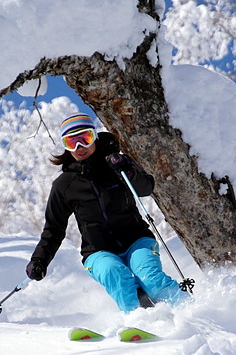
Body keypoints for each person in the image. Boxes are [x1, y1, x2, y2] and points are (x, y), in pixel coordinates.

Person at [26, 113, 185, 312]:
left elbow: (146, 188)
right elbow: (53, 228)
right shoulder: (64, 185)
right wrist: (39, 260)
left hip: (137, 240)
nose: (79, 147)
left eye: (84, 139)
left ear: (95, 137)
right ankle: (140, 322)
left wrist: (126, 168)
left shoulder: (117, 165)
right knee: (115, 274)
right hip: (98, 251)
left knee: (151, 279)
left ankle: (192, 311)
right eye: (71, 142)